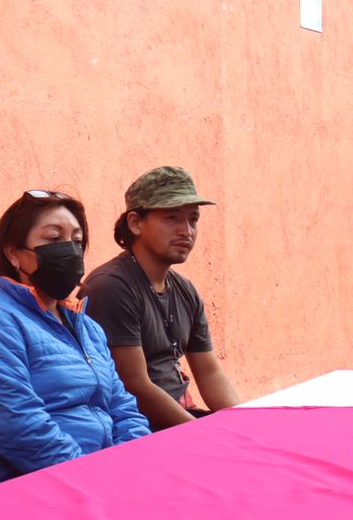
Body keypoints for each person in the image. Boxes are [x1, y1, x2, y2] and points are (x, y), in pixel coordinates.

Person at [0, 189, 150, 491]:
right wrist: (99, 482)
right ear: (13, 253)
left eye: (77, 241)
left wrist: (134, 466)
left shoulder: (87, 327)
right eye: (54, 239)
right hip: (32, 493)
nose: (69, 251)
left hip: (105, 482)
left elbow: (123, 409)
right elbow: (20, 429)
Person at [80, 167, 240, 429]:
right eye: (172, 218)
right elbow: (135, 386)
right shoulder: (111, 287)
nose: (186, 231)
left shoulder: (185, 290)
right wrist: (202, 434)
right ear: (135, 223)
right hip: (136, 430)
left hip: (182, 422)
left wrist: (241, 423)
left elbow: (210, 373)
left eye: (193, 220)